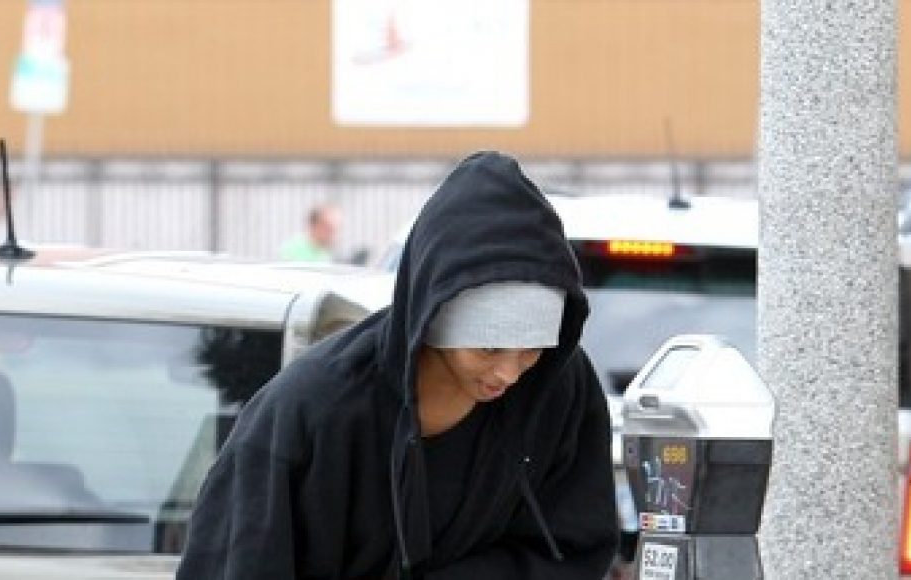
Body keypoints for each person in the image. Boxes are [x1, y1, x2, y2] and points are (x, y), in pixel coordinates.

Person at [177, 151, 619, 579]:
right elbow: (237, 562)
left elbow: (577, 548)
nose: (508, 372)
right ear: (434, 319)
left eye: (531, 350)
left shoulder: (560, 389)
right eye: (487, 349)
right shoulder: (313, 412)